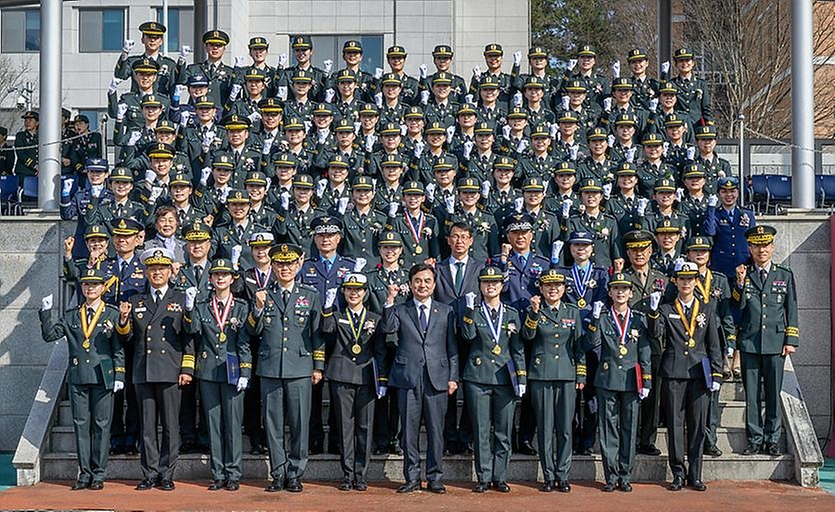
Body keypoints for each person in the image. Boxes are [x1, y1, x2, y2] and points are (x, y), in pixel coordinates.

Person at [39, 267, 124, 491]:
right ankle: (84, 473)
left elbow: (118, 348)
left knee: (102, 425)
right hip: (78, 376)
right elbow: (50, 335)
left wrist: (120, 374)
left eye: (94, 284)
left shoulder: (112, 314)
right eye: (86, 284)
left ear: (102, 288)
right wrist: (46, 313)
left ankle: (98, 473)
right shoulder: (72, 315)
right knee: (80, 425)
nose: (90, 288)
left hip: (103, 375)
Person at [248, 243, 324, 493]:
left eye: (289, 264)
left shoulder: (310, 294)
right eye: (280, 264)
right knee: (272, 424)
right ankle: (277, 472)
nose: (285, 268)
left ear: (298, 265)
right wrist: (257, 309)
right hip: (270, 367)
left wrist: (318, 365)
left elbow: (317, 334)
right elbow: (252, 331)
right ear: (272, 265)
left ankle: (295, 472)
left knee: (299, 422)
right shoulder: (263, 294)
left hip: (300, 366)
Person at [116, 247, 194, 491]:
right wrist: (123, 321)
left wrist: (187, 369)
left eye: (161, 268)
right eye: (152, 268)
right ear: (145, 271)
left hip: (170, 369)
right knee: (147, 426)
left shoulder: (180, 299)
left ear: (171, 271)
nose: (157, 272)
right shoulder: (135, 300)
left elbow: (189, 338)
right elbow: (127, 339)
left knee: (171, 425)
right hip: (143, 369)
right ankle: (149, 473)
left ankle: (167, 473)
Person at [380, 263, 459, 494]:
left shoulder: (446, 311)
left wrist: (453, 376)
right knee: (408, 431)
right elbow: (387, 328)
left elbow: (452, 346)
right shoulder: (400, 310)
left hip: (437, 377)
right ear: (410, 284)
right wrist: (389, 301)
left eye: (426, 281)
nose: (422, 285)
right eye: (417, 281)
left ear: (434, 285)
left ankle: (435, 477)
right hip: (408, 378)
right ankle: (412, 477)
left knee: (436, 431)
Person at [649, 261, 722, 492]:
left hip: (699, 374)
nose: (686, 283)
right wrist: (652, 313)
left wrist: (717, 373)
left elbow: (714, 344)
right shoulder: (667, 309)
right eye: (682, 279)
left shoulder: (707, 310)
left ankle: (695, 475)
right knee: (675, 425)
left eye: (690, 279)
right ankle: (678, 473)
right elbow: (656, 334)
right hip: (673, 373)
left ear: (696, 281)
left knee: (698, 426)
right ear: (676, 281)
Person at [183, 258, 252, 491]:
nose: (220, 278)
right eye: (216, 275)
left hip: (233, 370)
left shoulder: (241, 307)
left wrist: (245, 370)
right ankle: (218, 473)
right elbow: (192, 331)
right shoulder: (203, 306)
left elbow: (244, 342)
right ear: (210, 279)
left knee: (232, 424)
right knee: (212, 424)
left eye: (225, 274)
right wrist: (190, 308)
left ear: (233, 278)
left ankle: (233, 473)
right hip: (209, 370)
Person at [732, 225, 798, 457]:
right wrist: (739, 284)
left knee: (772, 393)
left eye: (765, 245)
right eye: (757, 245)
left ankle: (772, 439)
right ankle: (754, 439)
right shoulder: (744, 273)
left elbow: (791, 308)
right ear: (750, 248)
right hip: (750, 342)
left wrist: (791, 339)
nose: (762, 250)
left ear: (772, 247)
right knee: (751, 395)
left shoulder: (784, 274)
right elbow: (737, 308)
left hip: (775, 342)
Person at [460, 266, 526, 493]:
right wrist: (468, 312)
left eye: (495, 282)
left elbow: (517, 348)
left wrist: (521, 376)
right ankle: (483, 476)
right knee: (481, 430)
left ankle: (500, 476)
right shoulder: (475, 311)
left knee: (503, 430)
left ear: (502, 285)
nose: (491, 286)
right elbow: (467, 337)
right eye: (486, 282)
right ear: (480, 286)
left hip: (505, 378)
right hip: (478, 377)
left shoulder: (512, 313)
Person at [586, 274, 652, 492]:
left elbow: (644, 350)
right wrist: (594, 321)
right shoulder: (604, 317)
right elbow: (592, 343)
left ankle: (625, 474)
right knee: (608, 429)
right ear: (610, 292)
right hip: (607, 378)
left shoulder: (639, 318)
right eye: (616, 288)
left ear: (631, 293)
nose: (620, 292)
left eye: (624, 288)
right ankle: (611, 476)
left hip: (632, 379)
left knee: (629, 428)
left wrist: (647, 380)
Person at [521, 269, 585, 493]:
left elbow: (579, 346)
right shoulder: (534, 311)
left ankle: (563, 474)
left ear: (564, 288)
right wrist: (535, 313)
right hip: (541, 375)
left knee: (565, 428)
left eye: (557, 285)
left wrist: (581, 374)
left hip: (567, 375)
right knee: (545, 428)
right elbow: (527, 337)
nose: (553, 289)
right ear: (541, 288)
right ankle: (548, 475)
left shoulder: (572, 312)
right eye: (548, 285)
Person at [321, 273, 385, 492]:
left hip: (367, 377)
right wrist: (328, 308)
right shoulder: (337, 316)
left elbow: (380, 350)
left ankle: (361, 474)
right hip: (341, 376)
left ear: (365, 293)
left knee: (365, 428)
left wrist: (382, 379)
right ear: (344, 292)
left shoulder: (375, 319)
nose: (353, 293)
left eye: (358, 290)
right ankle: (347, 474)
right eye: (349, 289)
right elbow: (327, 332)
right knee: (344, 427)